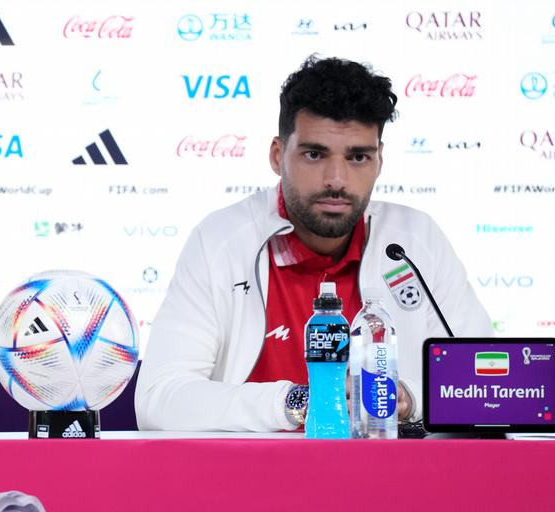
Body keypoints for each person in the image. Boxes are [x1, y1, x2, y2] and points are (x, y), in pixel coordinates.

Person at [135, 56, 491, 432]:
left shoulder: (417, 240)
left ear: (379, 161)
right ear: (277, 155)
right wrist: (301, 402)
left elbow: (485, 388)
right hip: (252, 481)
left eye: (357, 157)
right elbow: (159, 400)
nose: (336, 179)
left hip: (390, 481)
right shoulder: (220, 241)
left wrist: (406, 399)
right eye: (315, 154)